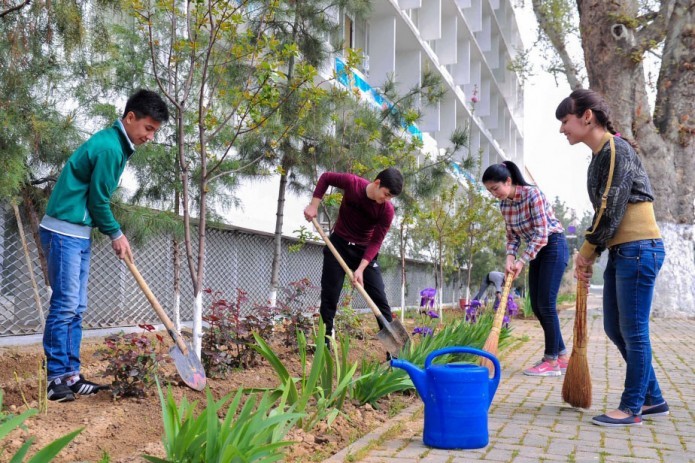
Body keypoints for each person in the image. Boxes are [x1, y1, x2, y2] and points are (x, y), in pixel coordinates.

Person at [40, 89, 170, 402]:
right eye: (148, 128)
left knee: (77, 307)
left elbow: (95, 199)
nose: (150, 137)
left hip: (77, 232)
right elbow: (98, 200)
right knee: (66, 304)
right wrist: (116, 233)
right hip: (63, 232)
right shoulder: (111, 147)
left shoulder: (116, 145)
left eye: (155, 131)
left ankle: (71, 376)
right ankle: (55, 378)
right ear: (130, 118)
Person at [556, 88, 667, 427]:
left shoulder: (614, 148)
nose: (562, 129)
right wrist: (592, 253)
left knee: (633, 331)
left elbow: (611, 206)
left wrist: (587, 253)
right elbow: (604, 209)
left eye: (565, 120)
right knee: (615, 328)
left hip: (638, 249)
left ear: (586, 117)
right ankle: (653, 399)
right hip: (624, 251)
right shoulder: (601, 154)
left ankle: (632, 407)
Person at [482, 161, 569, 377]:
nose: (494, 194)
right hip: (536, 252)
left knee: (546, 304)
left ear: (508, 181)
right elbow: (512, 237)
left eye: (496, 188)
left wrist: (521, 261)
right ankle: (562, 356)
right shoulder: (504, 205)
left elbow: (541, 233)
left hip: (553, 246)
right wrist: (510, 258)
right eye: (489, 191)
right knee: (537, 306)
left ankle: (551, 361)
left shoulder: (533, 195)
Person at [303, 168, 403, 349]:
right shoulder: (352, 183)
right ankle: (324, 345)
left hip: (364, 253)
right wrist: (314, 205)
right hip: (338, 246)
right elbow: (326, 178)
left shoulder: (386, 210)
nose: (386, 200)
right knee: (329, 298)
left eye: (390, 197)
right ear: (377, 182)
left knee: (379, 300)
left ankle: (395, 354)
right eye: (386, 194)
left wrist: (361, 268)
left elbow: (376, 241)